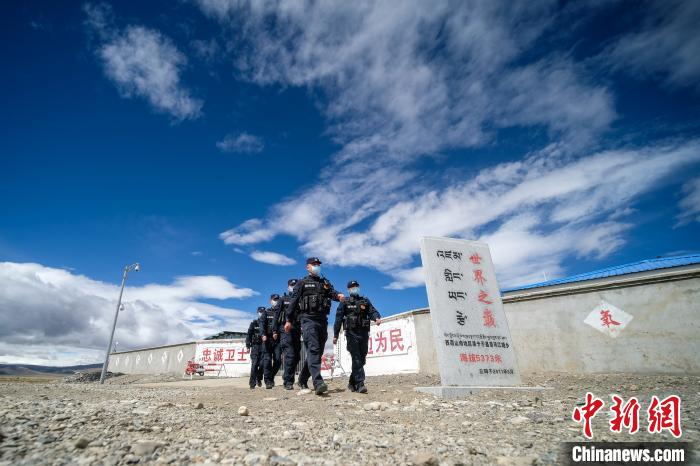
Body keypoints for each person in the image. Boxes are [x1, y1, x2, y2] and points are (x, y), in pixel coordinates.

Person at [285, 257, 344, 395]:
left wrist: (338, 296)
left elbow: (332, 293)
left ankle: (302, 378)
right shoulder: (302, 283)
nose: (317, 266)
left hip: (323, 320)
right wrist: (288, 320)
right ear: (308, 267)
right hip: (308, 319)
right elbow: (293, 302)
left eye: (318, 264)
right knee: (313, 349)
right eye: (314, 264)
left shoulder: (324, 282)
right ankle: (318, 382)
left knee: (317, 352)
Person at [333, 280, 381, 393]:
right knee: (356, 357)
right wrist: (335, 335)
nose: (354, 288)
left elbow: (372, 311)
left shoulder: (365, 301)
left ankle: (351, 382)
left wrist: (376, 318)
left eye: (356, 286)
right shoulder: (345, 302)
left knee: (362, 359)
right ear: (348, 290)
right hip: (351, 334)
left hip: (363, 333)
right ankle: (360, 384)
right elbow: (338, 318)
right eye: (352, 287)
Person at [273, 278, 301, 390]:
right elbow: (276, 315)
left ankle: (286, 376)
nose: (293, 287)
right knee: (289, 355)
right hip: (285, 329)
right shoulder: (283, 299)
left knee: (297, 356)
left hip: (297, 329)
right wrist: (274, 330)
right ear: (288, 287)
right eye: (292, 285)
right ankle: (288, 382)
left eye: (295, 285)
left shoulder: (300, 299)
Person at [260, 294, 283, 388]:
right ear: (270, 301)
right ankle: (268, 381)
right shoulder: (266, 312)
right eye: (274, 300)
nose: (276, 301)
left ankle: (271, 376)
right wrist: (263, 334)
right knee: (267, 360)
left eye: (277, 300)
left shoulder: (281, 312)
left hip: (278, 340)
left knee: (278, 360)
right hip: (267, 339)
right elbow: (262, 324)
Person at [246, 308, 265, 389]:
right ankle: (252, 384)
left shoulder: (266, 323)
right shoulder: (254, 323)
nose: (261, 313)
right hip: (255, 346)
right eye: (260, 312)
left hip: (264, 346)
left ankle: (259, 378)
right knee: (254, 365)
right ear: (257, 313)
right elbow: (249, 335)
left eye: (263, 312)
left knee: (262, 365)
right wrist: (248, 345)